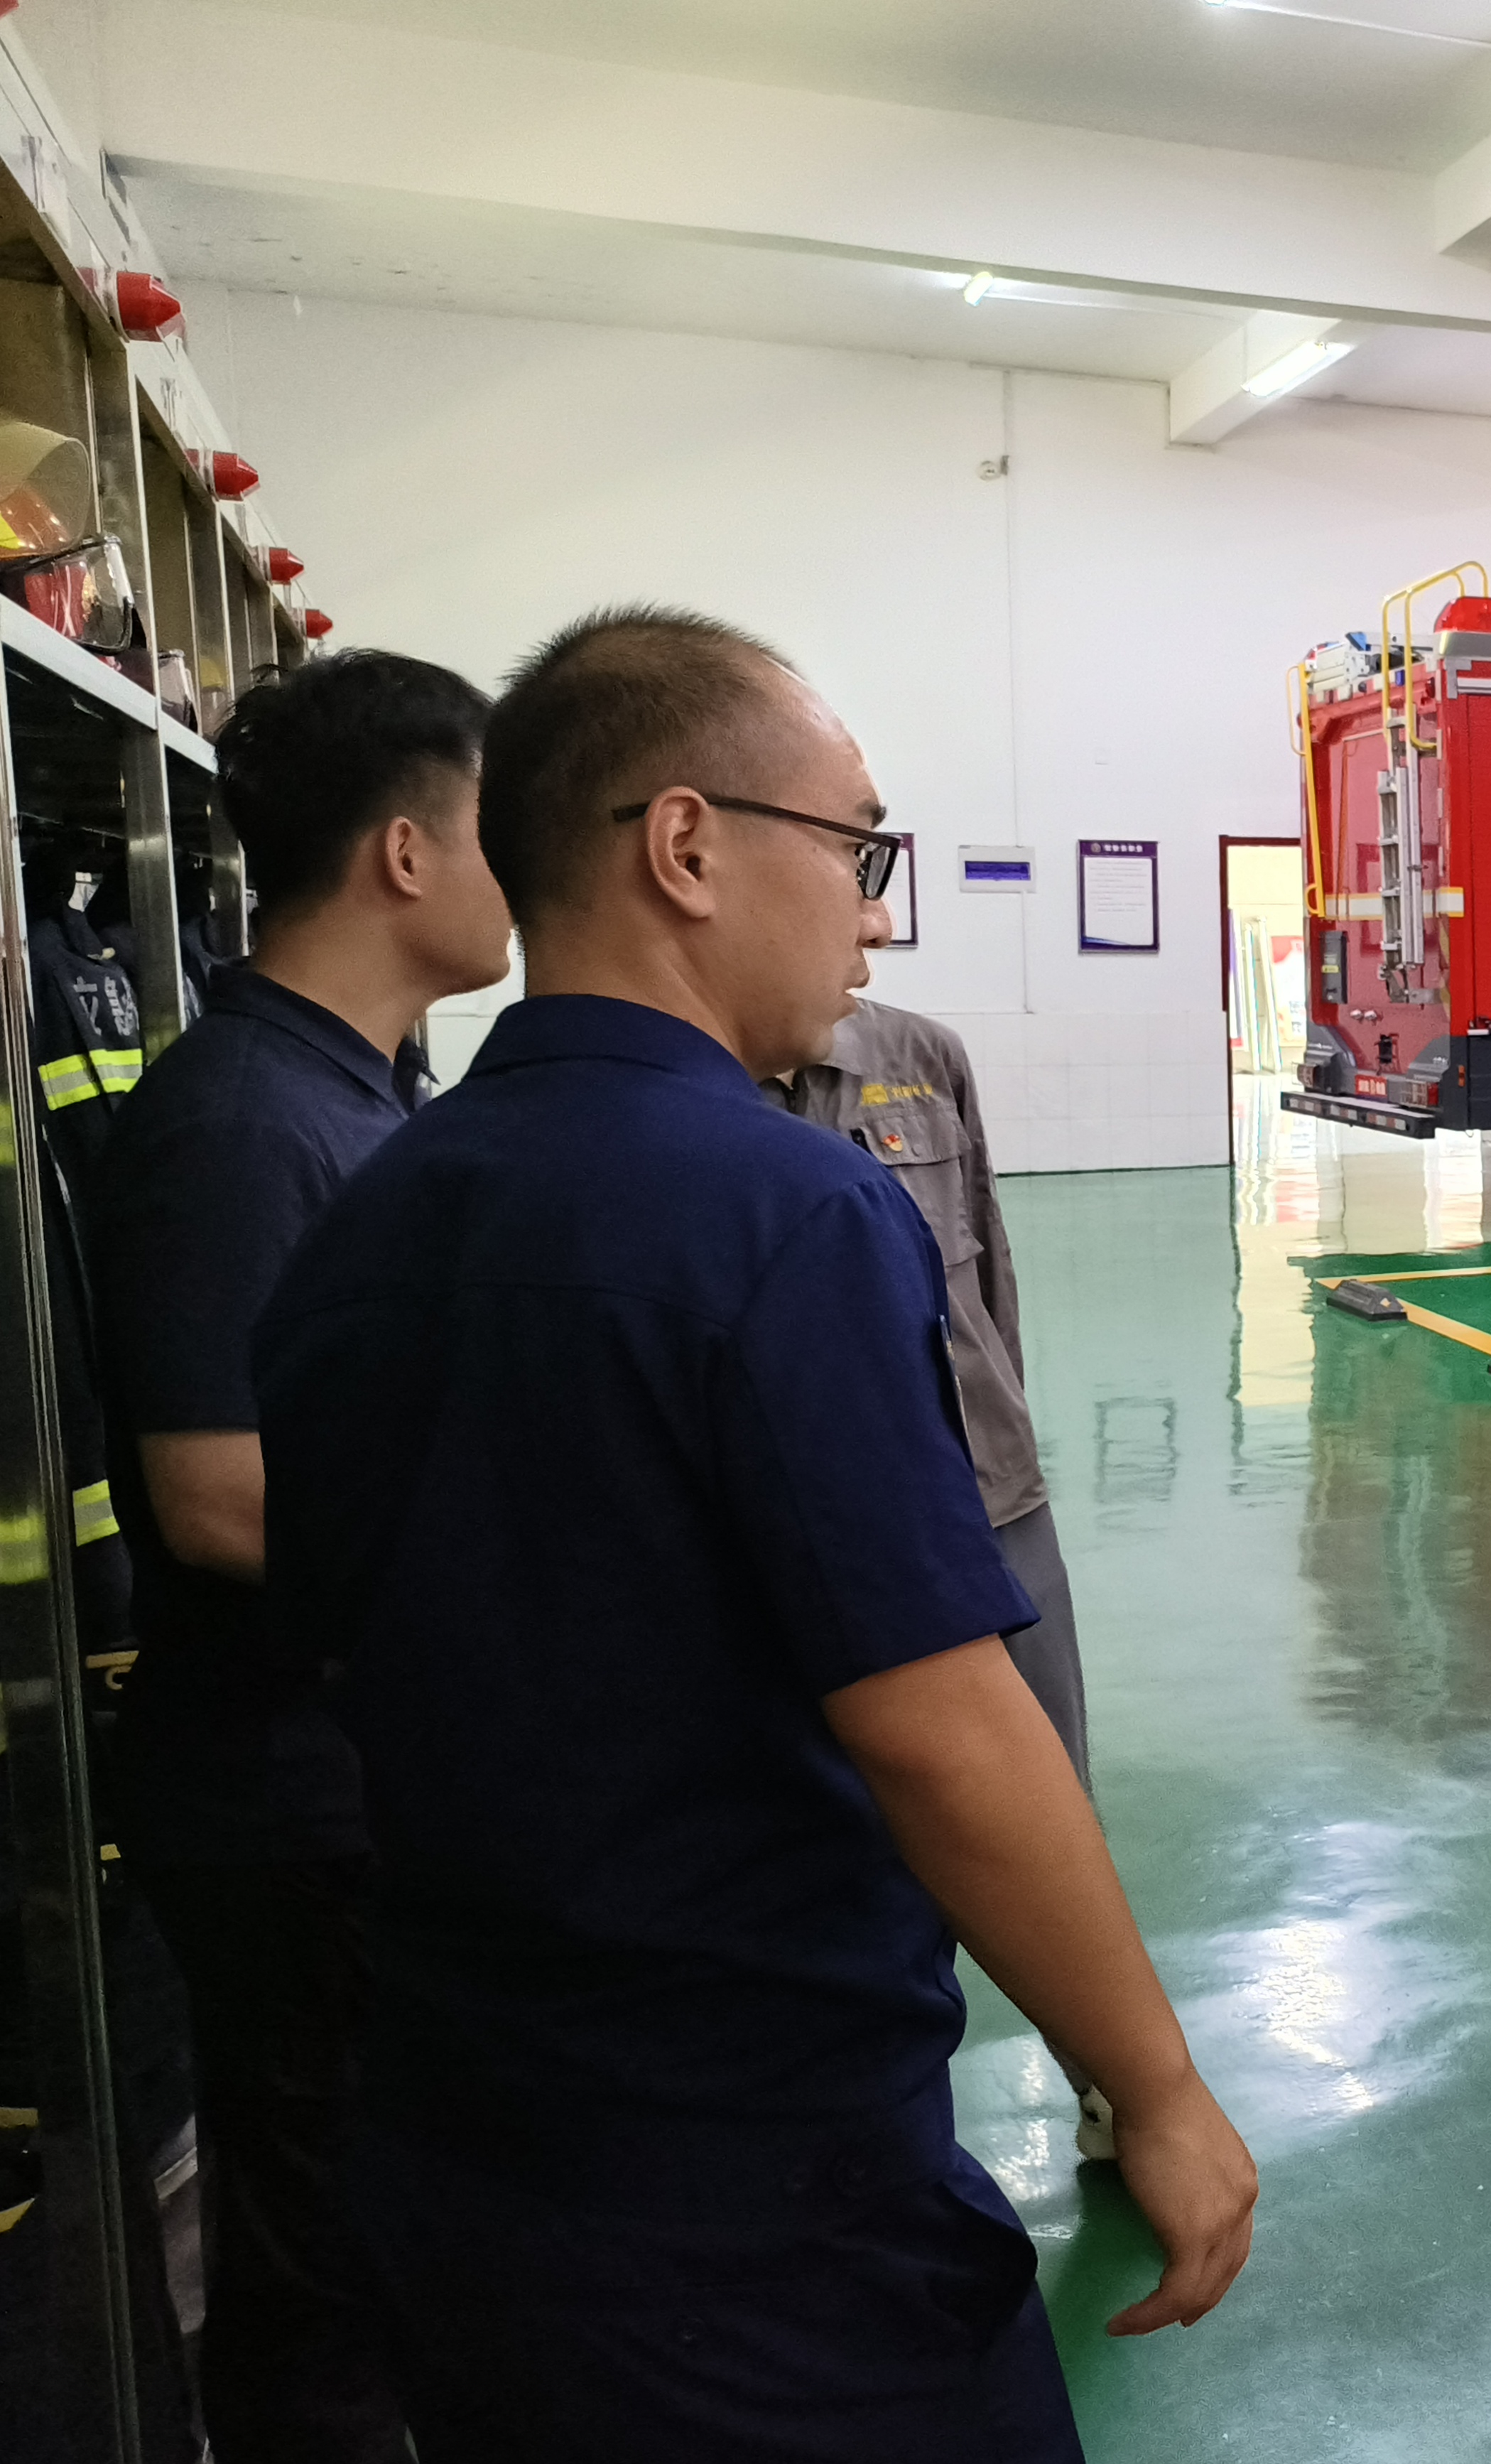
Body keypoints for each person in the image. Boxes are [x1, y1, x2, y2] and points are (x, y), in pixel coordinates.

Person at [251, 606, 1256, 2463]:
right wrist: (1158, 2083)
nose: (874, 917)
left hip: (463, 2156)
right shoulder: (783, 1210)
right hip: (758, 2200)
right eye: (858, 848)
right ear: (687, 846)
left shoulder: (370, 1217)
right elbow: (943, 1730)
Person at [89, 649, 511, 2463]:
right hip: (282, 1799)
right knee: (323, 2260)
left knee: (377, 2218)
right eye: (496, 828)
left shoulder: (361, 1091)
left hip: (355, 1772)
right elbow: (215, 1493)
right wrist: (519, 1548)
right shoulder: (243, 1120)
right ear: (405, 853)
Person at [775, 938, 1116, 2161]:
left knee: (1051, 1804)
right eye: (850, 863)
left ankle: (1111, 2086)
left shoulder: (919, 1059)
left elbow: (988, 1286)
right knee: (841, 1831)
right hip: (816, 1524)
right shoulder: (695, 1096)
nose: (870, 920)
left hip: (988, 1499)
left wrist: (1005, 1447)